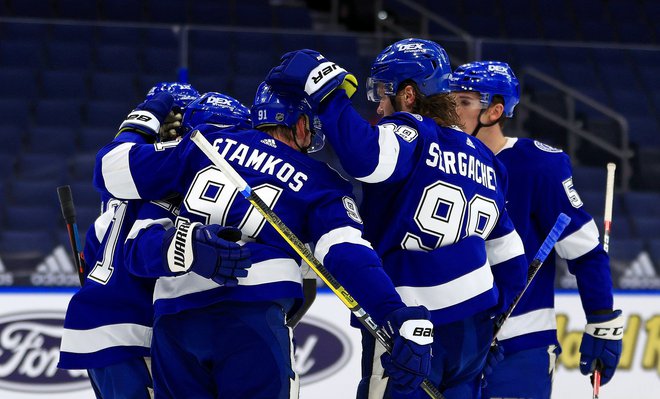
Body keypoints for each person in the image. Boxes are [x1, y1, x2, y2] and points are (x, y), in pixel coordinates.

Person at [92, 81, 434, 398]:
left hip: (174, 321)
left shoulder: (203, 143)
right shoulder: (321, 180)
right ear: (301, 125)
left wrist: (147, 115)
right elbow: (348, 255)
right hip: (253, 319)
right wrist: (392, 313)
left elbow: (109, 171)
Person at [264, 39, 529, 399]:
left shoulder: (413, 132)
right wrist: (494, 325)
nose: (379, 105)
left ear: (408, 94)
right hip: (475, 326)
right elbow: (511, 255)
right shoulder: (487, 158)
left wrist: (326, 92)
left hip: (412, 324)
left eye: (383, 93)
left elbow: (366, 158)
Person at [57, 83, 252, 399]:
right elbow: (144, 250)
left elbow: (95, 249)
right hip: (133, 328)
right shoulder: (172, 184)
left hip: (96, 322)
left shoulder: (120, 188)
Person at [448, 60, 623, 399]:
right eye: (451, 100)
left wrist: (602, 320)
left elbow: (585, 252)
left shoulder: (537, 165)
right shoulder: (440, 160)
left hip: (519, 344)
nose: (453, 110)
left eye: (464, 102)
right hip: (453, 345)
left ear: (495, 110)